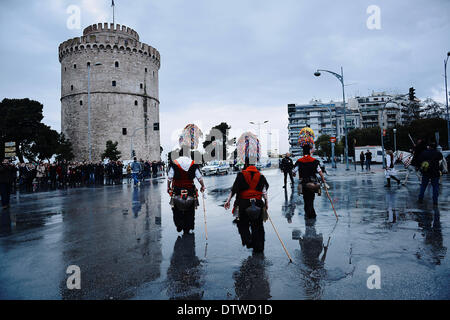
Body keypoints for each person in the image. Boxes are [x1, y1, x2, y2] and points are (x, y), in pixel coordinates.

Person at [224, 158, 269, 253]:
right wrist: (266, 203)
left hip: (243, 204)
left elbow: (234, 189)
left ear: (246, 164)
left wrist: (228, 201)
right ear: (255, 164)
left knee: (242, 224)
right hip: (257, 203)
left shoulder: (241, 175)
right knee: (258, 226)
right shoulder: (261, 176)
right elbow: (264, 192)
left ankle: (248, 241)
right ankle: (259, 247)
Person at [167, 152, 205, 234]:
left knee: (176, 209)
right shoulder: (193, 164)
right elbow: (199, 177)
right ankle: (188, 226)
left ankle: (179, 224)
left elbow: (170, 178)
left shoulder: (174, 164)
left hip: (177, 190)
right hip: (190, 190)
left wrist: (168, 187)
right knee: (190, 210)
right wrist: (203, 186)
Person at [293, 145, 327, 219]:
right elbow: (320, 172)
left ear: (303, 152)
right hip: (313, 182)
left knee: (306, 198)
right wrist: (323, 181)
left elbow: (294, 171)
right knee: (311, 198)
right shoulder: (314, 161)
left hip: (304, 183)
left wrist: (294, 174)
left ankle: (308, 213)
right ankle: (312, 213)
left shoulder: (299, 161)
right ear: (309, 151)